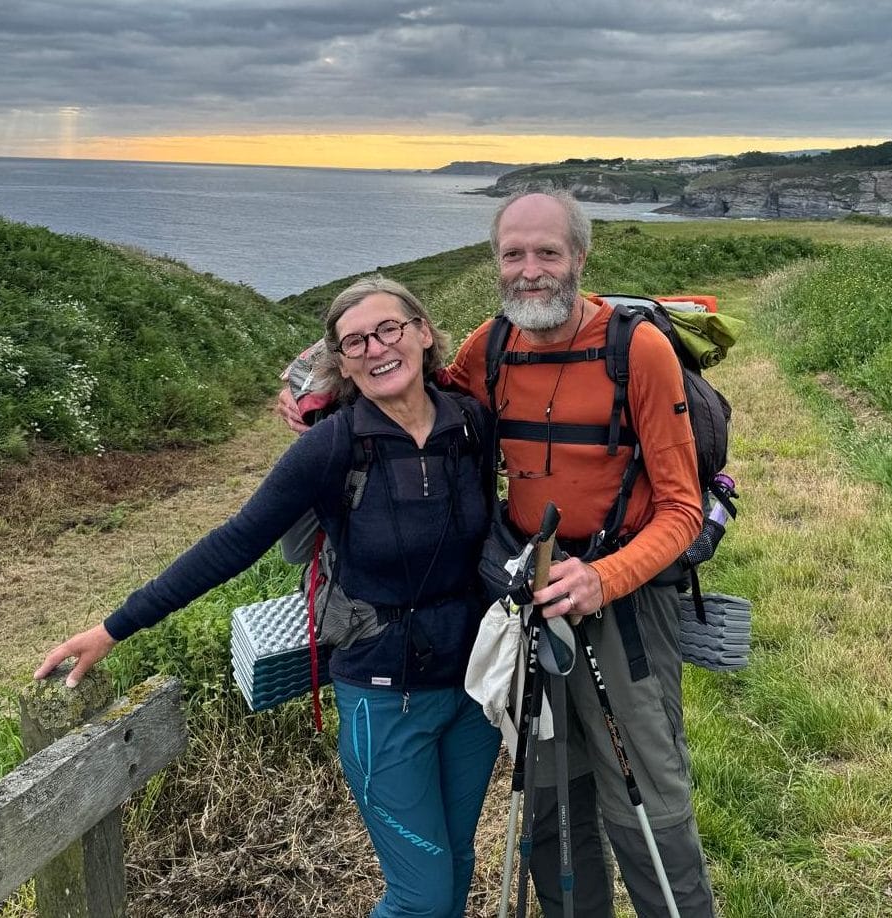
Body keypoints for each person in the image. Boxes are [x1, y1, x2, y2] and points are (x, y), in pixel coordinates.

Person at [279, 191, 716, 917]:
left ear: (579, 257)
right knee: (548, 802)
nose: (529, 271)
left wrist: (603, 578)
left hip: (624, 604)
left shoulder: (635, 350)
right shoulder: (494, 345)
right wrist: (312, 390)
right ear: (496, 262)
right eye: (513, 254)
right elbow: (407, 388)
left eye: (547, 253)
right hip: (525, 606)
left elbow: (680, 507)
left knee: (646, 798)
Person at [37, 278, 502, 918]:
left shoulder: (472, 425)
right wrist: (113, 628)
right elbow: (233, 544)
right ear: (341, 362)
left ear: (423, 332)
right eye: (355, 341)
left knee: (454, 871)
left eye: (389, 329)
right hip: (382, 698)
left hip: (473, 687)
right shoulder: (332, 446)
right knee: (420, 896)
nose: (376, 348)